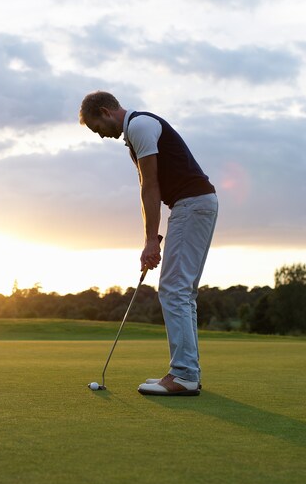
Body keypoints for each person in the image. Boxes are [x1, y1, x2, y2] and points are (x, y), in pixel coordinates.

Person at [79, 91, 218, 396]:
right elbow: (150, 189)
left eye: (96, 128)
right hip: (193, 204)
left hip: (191, 204)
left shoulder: (140, 126)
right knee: (183, 291)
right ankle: (187, 371)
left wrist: (149, 242)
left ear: (105, 111)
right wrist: (152, 237)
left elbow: (150, 187)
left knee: (174, 289)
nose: (100, 136)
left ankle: (183, 375)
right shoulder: (138, 131)